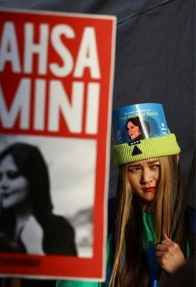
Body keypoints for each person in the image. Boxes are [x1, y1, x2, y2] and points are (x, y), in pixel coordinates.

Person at [57, 105, 190, 287]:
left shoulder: (192, 226)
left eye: (155, 166)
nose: (146, 178)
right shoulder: (103, 221)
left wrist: (183, 273)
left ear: (175, 160)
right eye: (135, 169)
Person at [0, 142, 77, 256]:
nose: (2, 184)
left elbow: (68, 272)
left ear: (34, 179)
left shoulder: (59, 230)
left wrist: (35, 249)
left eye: (12, 175)